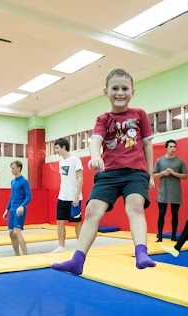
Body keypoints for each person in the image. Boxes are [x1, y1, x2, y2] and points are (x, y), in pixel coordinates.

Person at [52, 68, 156, 276]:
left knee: (134, 206)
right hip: (108, 173)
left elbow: (147, 146)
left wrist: (151, 175)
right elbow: (96, 140)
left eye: (125, 88)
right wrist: (95, 156)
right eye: (115, 88)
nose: (120, 92)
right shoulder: (103, 118)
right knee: (91, 211)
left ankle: (141, 252)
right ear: (105, 92)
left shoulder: (139, 115)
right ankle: (77, 260)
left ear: (132, 92)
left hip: (135, 171)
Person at [51, 137, 83, 253]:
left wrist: (76, 196)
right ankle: (61, 246)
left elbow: (80, 178)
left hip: (74, 198)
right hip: (62, 197)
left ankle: (80, 247)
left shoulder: (75, 160)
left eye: (57, 148)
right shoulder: (61, 162)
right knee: (60, 221)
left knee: (77, 223)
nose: (56, 151)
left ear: (64, 147)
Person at [152, 139, 188, 242]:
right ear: (166, 148)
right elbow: (154, 176)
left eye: (174, 147)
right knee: (161, 213)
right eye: (171, 147)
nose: (173, 149)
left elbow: (185, 175)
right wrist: (163, 173)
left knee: (175, 214)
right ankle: (160, 237)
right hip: (163, 191)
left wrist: (174, 173)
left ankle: (173, 236)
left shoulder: (179, 161)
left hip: (175, 191)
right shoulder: (159, 161)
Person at [3, 161, 32, 256]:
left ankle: (26, 255)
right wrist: (7, 209)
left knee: (17, 232)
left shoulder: (24, 181)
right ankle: (17, 255)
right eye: (11, 168)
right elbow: (12, 196)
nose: (12, 170)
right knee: (11, 233)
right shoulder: (12, 182)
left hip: (20, 210)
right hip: (12, 210)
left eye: (14, 168)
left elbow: (29, 197)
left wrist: (22, 206)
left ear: (19, 168)